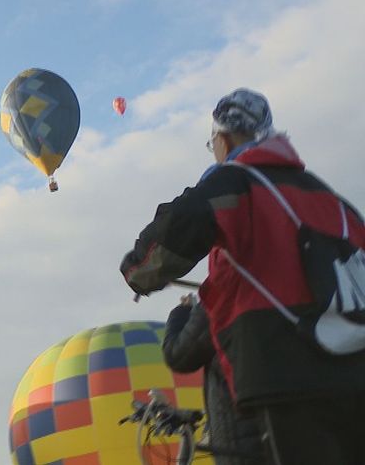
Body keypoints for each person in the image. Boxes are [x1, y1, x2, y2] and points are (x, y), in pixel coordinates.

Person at [120, 88, 365, 464]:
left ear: (222, 138)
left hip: (284, 374)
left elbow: (179, 227)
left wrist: (137, 272)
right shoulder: (333, 201)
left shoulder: (237, 180)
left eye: (212, 142)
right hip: (352, 373)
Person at [161, 294, 262, 463]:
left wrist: (183, 311)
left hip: (242, 440)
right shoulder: (297, 288)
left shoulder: (221, 292)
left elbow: (176, 355)